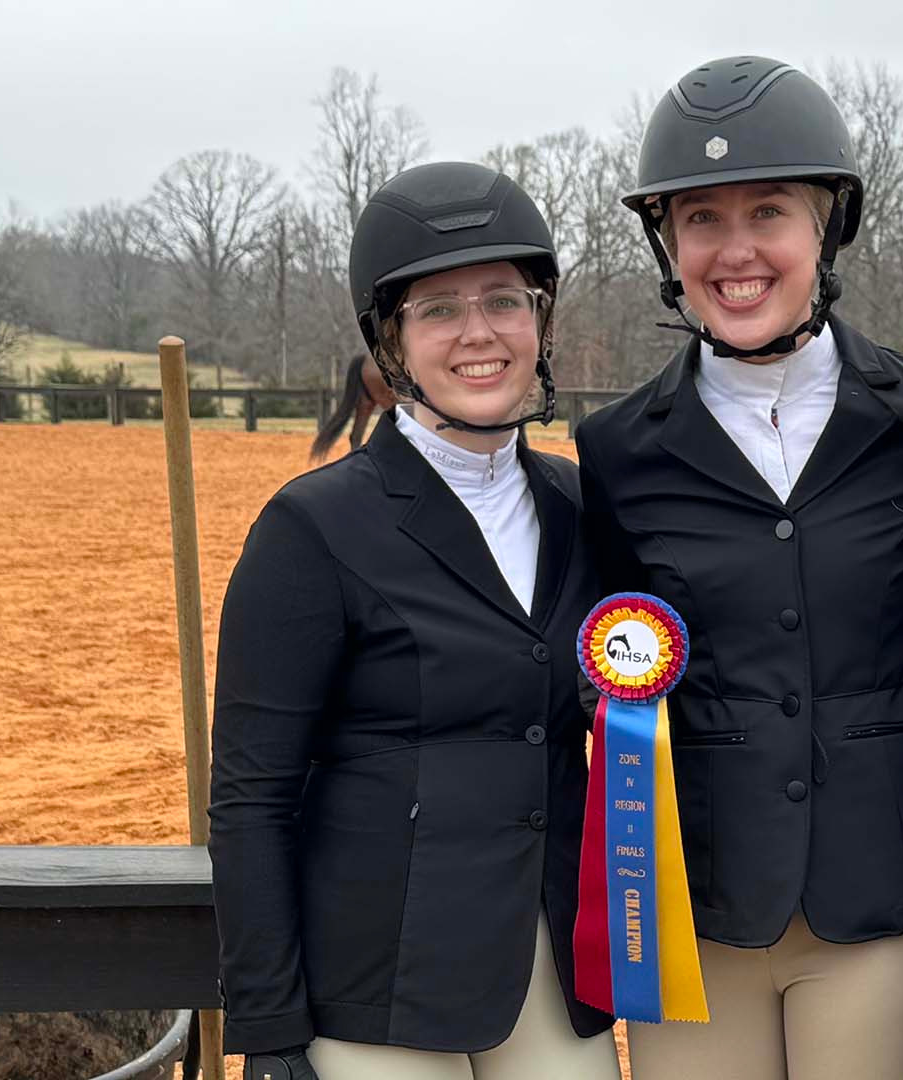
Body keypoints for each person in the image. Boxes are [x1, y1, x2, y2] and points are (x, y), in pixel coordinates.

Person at [574, 56, 903, 1080]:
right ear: (668, 241)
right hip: (695, 919)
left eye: (769, 213)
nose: (735, 251)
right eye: (701, 218)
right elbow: (599, 661)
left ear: (826, 228)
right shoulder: (617, 451)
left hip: (883, 904)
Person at [208, 161, 621, 1080]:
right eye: (438, 309)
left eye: (504, 302)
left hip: (545, 971)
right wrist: (268, 1028)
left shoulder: (581, 507)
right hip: (374, 983)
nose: (479, 333)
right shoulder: (312, 528)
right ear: (391, 342)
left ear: (540, 323)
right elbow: (250, 798)